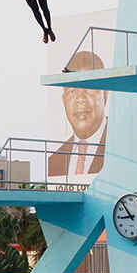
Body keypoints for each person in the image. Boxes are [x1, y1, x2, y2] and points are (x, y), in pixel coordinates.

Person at [48, 50, 107, 178]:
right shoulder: (54, 161)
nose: (80, 99)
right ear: (64, 101)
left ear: (105, 94)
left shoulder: (121, 148)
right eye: (72, 91)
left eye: (88, 89)